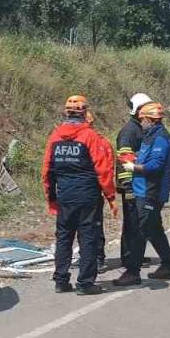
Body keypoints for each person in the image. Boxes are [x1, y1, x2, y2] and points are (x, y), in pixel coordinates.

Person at [42, 95, 117, 295]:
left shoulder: (55, 137)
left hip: (65, 196)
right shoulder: (90, 137)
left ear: (66, 113)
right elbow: (104, 170)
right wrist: (111, 197)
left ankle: (61, 280)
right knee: (88, 239)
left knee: (64, 238)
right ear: (84, 113)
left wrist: (51, 199)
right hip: (88, 197)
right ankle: (85, 283)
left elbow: (47, 171)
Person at [114, 102, 170, 285]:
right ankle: (169, 265)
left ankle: (133, 272)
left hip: (151, 192)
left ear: (150, 119)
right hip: (142, 189)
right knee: (153, 230)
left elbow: (156, 165)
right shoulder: (149, 136)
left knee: (139, 231)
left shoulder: (160, 138)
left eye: (143, 120)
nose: (141, 123)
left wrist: (134, 167)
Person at [116, 93, 155, 271]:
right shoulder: (129, 131)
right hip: (131, 185)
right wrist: (127, 186)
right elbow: (124, 160)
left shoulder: (140, 128)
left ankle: (135, 253)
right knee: (131, 222)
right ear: (138, 110)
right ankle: (128, 257)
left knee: (137, 222)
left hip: (139, 184)